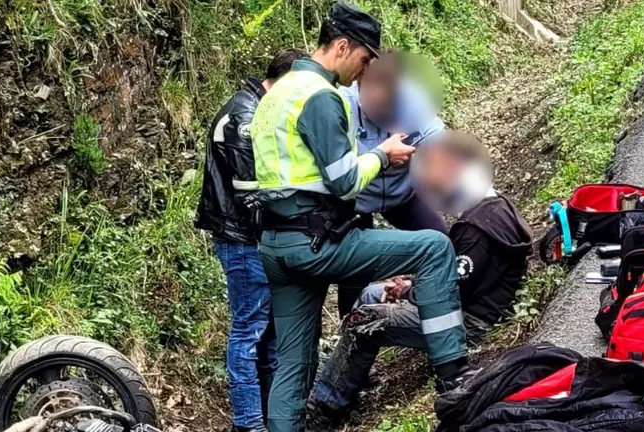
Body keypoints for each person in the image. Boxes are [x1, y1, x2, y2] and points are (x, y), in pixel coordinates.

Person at [249, 3, 472, 431]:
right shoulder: (321, 96)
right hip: (316, 241)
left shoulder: (276, 94)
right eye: (366, 58)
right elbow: (343, 180)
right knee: (434, 248)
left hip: (275, 246)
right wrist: (382, 154)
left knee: (294, 362)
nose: (366, 68)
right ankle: (455, 380)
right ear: (342, 45)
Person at [309, 133, 533, 427]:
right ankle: (354, 377)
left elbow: (451, 292)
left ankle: (325, 408)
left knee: (363, 321)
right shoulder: (496, 207)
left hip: (470, 323)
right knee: (373, 294)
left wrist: (407, 293)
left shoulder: (476, 229)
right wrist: (408, 288)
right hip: (478, 306)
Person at [195, 48, 309, 432]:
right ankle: (249, 423)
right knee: (249, 331)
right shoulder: (244, 118)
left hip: (255, 237)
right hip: (242, 238)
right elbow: (253, 193)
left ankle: (273, 418)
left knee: (269, 331)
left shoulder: (258, 110)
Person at [336, 51, 448, 316]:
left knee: (440, 238)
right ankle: (349, 330)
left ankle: (433, 308)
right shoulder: (341, 105)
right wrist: (381, 157)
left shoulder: (414, 103)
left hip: (403, 194)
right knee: (353, 267)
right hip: (357, 196)